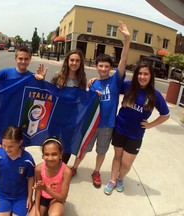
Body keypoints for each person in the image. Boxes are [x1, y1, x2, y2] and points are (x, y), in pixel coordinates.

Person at [70, 21, 131, 189]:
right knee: (84, 147)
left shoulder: (116, 80)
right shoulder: (93, 83)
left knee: (101, 151)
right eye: (101, 65)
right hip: (92, 123)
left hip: (107, 125)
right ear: (96, 67)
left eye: (106, 66)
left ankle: (96, 172)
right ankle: (74, 167)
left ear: (111, 68)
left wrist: (127, 40)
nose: (103, 68)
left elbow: (124, 59)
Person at [104, 61, 170, 195]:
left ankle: (120, 178)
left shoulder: (155, 95)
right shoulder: (128, 86)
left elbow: (166, 115)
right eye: (139, 73)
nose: (142, 77)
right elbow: (111, 85)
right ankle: (112, 180)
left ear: (151, 76)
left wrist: (150, 125)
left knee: (127, 163)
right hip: (120, 128)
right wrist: (95, 80)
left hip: (135, 135)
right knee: (117, 157)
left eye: (146, 74)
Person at [50, 49, 87, 164]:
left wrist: (95, 95)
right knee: (53, 142)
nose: (74, 63)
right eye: (72, 60)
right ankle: (51, 164)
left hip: (72, 117)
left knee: (68, 143)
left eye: (77, 61)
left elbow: (83, 98)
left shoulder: (81, 79)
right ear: (67, 61)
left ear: (80, 63)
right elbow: (49, 93)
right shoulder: (58, 76)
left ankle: (62, 166)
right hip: (56, 115)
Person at [29, 137, 72, 216]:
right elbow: (38, 190)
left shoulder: (66, 172)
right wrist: (37, 210)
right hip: (42, 198)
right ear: (43, 155)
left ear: (61, 154)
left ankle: (54, 208)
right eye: (46, 154)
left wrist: (45, 188)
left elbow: (62, 197)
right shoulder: (38, 169)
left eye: (54, 154)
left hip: (57, 199)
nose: (50, 158)